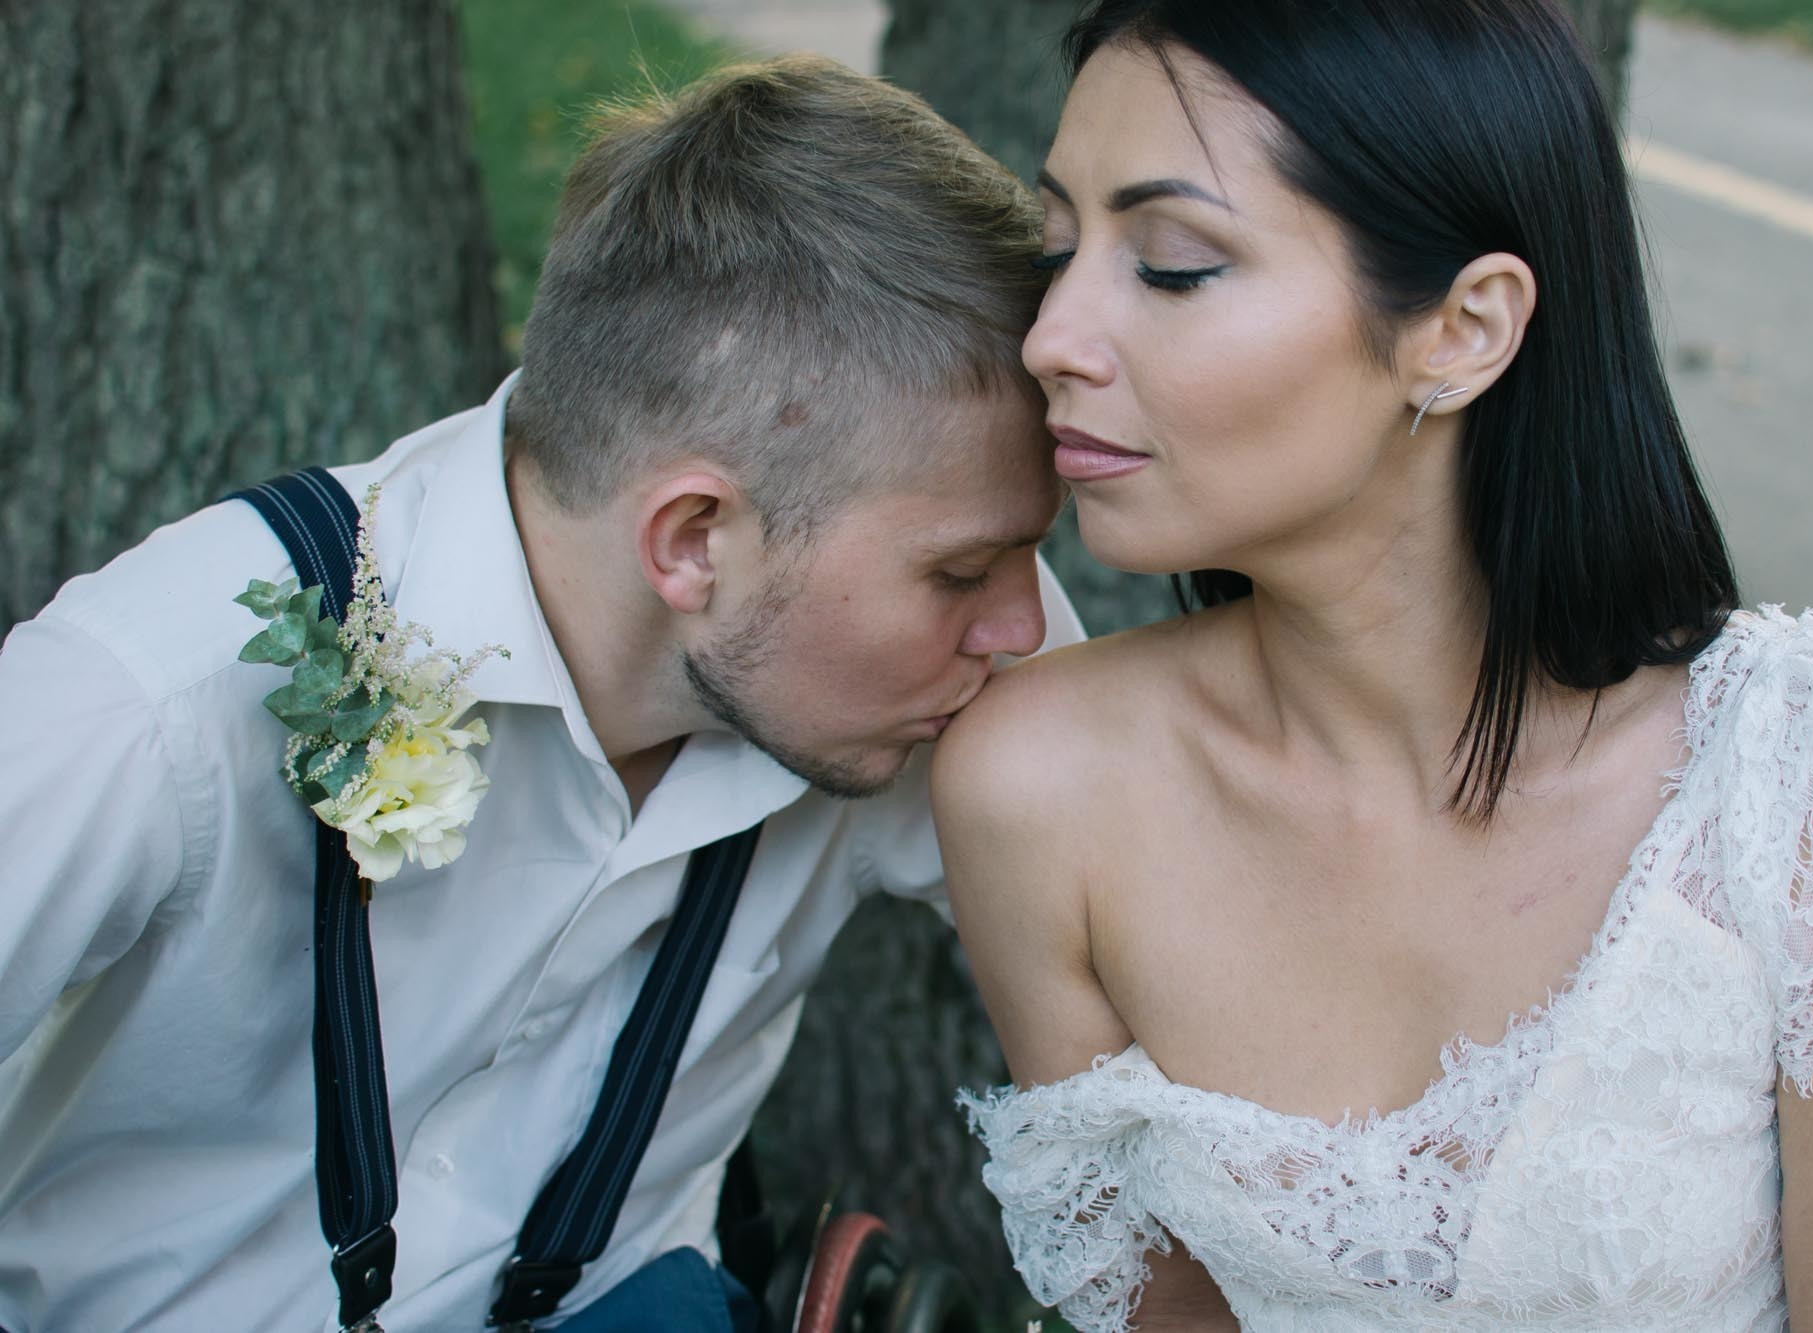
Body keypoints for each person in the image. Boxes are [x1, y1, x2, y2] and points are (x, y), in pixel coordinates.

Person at [935, 2, 1813, 1329]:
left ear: (1463, 330)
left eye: (1170, 264)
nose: (1052, 337)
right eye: (1058, 247)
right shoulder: (1038, 787)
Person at [0, 55, 1081, 1332]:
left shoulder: (953, 662)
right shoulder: (145, 706)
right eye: (960, 570)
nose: (1020, 626)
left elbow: (1198, 992)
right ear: (689, 539)